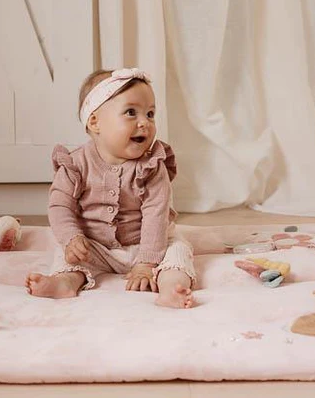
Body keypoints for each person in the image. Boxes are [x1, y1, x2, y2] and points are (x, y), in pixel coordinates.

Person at [25, 68, 196, 308]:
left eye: (150, 114)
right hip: (95, 247)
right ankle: (65, 283)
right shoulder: (75, 164)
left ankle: (171, 288)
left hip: (148, 244)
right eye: (131, 112)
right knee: (67, 256)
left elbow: (156, 214)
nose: (144, 122)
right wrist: (72, 238)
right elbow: (59, 207)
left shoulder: (152, 165)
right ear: (95, 122)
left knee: (178, 250)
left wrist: (146, 263)